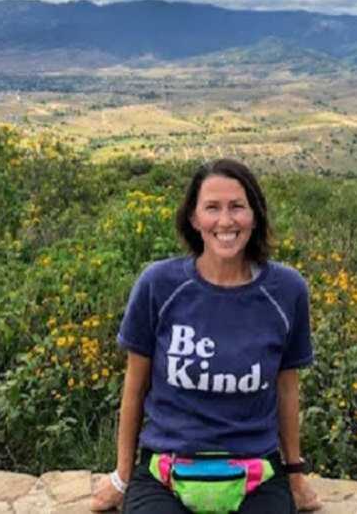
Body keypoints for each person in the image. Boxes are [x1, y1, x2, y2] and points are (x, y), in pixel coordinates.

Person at [90, 159, 322, 513]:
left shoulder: (286, 291)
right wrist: (122, 476)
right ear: (194, 218)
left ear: (254, 215)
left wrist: (295, 475)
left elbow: (287, 389)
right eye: (212, 208)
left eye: (237, 207)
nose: (225, 221)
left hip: (257, 471)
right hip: (165, 471)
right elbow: (134, 388)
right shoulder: (159, 285)